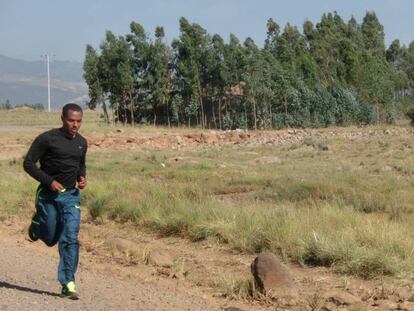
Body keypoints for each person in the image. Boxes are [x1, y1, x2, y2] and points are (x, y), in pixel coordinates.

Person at [23, 103, 87, 300]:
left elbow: (80, 164)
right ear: (62, 118)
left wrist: (81, 177)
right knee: (50, 238)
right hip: (48, 195)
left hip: (70, 197)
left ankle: (68, 282)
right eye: (71, 120)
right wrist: (49, 181)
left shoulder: (82, 142)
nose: (75, 125)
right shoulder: (48, 139)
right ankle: (37, 225)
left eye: (78, 121)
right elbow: (28, 163)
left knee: (70, 238)